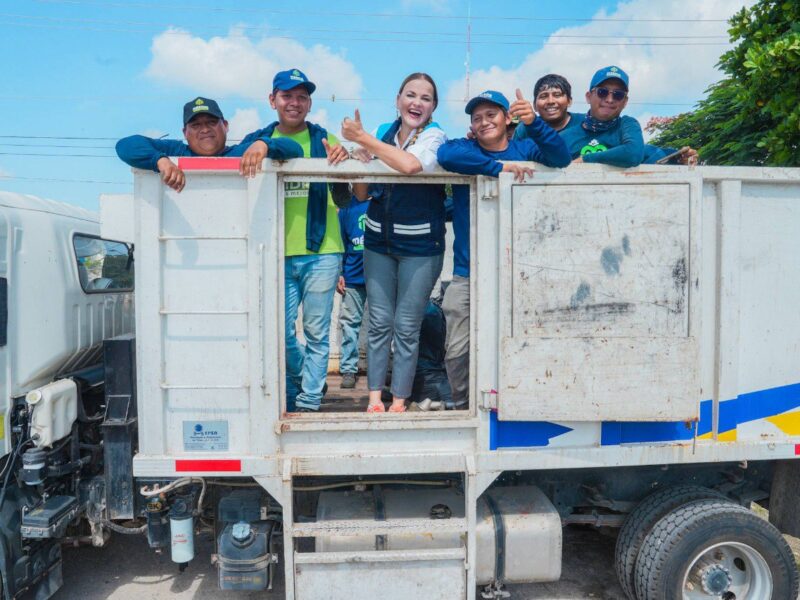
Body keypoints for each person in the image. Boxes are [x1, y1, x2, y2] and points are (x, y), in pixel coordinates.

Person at [436, 89, 571, 409]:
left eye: (491, 115)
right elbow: (446, 157)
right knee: (457, 347)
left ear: (507, 118)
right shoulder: (463, 148)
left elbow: (561, 157)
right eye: (477, 117)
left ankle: (515, 403)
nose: (483, 122)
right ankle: (462, 405)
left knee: (518, 341)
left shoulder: (526, 147)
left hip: (519, 270)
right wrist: (501, 168)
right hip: (467, 272)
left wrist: (534, 122)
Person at [239, 69, 350, 413]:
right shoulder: (254, 141)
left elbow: (346, 198)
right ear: (272, 100)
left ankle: (308, 399)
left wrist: (345, 163)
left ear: (310, 103)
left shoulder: (326, 139)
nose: (295, 102)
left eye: (302, 96)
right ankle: (296, 386)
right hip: (273, 253)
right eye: (287, 95)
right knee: (279, 332)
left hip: (323, 251)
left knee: (317, 333)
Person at [341, 72, 448, 414]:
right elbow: (361, 193)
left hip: (420, 248)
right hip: (377, 243)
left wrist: (365, 140)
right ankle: (375, 399)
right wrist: (356, 163)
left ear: (433, 107)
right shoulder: (385, 134)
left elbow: (409, 164)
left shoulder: (434, 136)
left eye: (425, 98)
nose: (416, 103)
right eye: (410, 95)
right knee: (379, 323)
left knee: (406, 326)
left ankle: (399, 400)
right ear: (398, 99)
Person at [115, 96, 305, 190]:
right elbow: (125, 145)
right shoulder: (175, 151)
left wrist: (264, 144)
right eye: (196, 125)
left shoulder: (241, 152)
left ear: (226, 125)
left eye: (212, 122)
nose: (205, 129)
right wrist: (160, 161)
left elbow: (295, 149)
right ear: (185, 132)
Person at [522, 73, 698, 165]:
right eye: (603, 92)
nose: (609, 99)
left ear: (625, 102)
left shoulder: (627, 125)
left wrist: (674, 157)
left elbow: (634, 153)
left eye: (618, 95)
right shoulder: (567, 136)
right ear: (589, 96)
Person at [336, 196, 369, 390]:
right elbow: (341, 244)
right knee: (349, 324)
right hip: (352, 277)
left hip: (379, 278)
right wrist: (340, 272)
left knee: (381, 325)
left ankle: (381, 370)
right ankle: (348, 369)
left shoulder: (380, 203)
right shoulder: (347, 209)